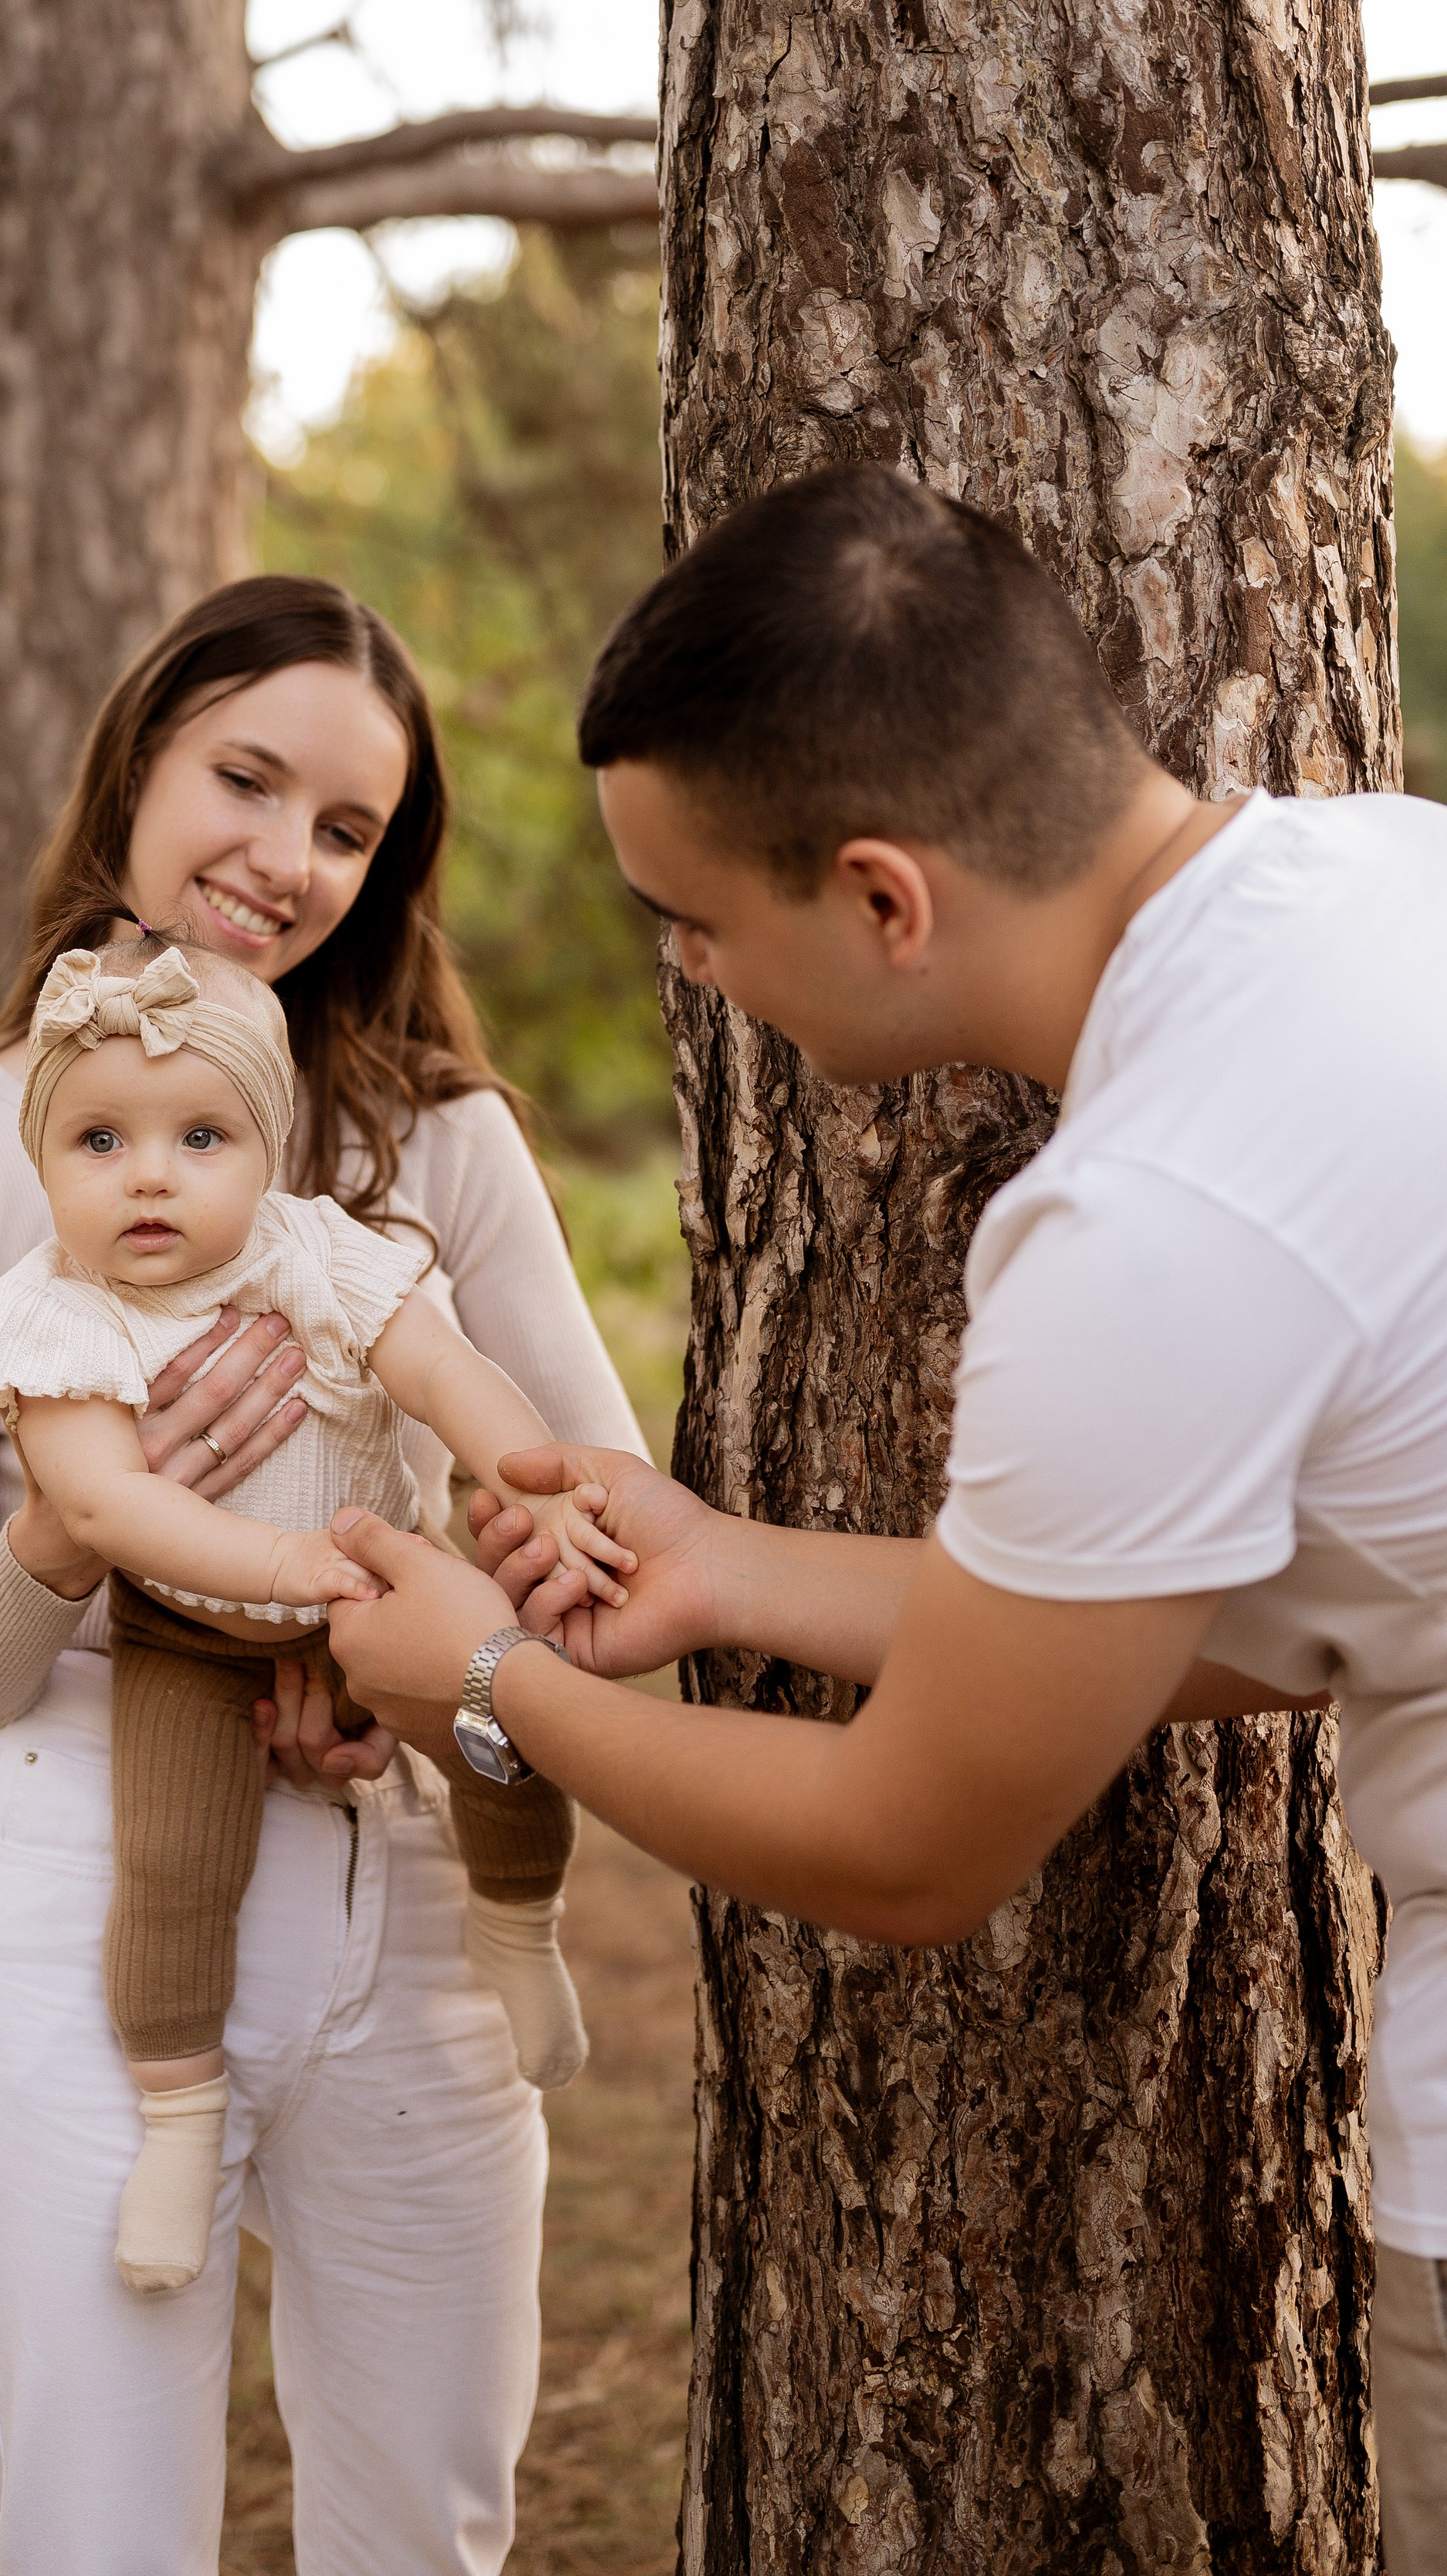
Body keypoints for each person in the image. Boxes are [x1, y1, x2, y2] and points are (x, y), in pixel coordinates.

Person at [324, 466, 1447, 2574]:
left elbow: (912, 1845)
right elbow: (1247, 1615)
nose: (688, 969)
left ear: (879, 898)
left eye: (692, 919)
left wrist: (481, 1681)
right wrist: (721, 1567)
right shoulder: (1390, 880)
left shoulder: (1145, 1222)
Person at [0, 576, 647, 2574]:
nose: (287, 859)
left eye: (348, 828)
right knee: (102, 2539)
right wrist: (74, 1532)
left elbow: (598, 1514)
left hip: (414, 1910)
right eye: (247, 780)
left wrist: (410, 1660)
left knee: (423, 2527)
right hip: (94, 1900)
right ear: (136, 767)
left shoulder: (438, 1144)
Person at [0, 931, 627, 2292]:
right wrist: (285, 1565)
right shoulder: (55, 1318)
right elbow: (106, 1506)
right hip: (190, 1634)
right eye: (100, 1141)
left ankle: (518, 1923)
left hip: (385, 1581)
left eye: (201, 1137)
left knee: (504, 1727)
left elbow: (443, 1370)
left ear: (269, 1150)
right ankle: (181, 2115)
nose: (151, 1175)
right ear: (41, 1163)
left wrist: (527, 1481)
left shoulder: (320, 1253)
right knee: (174, 1866)